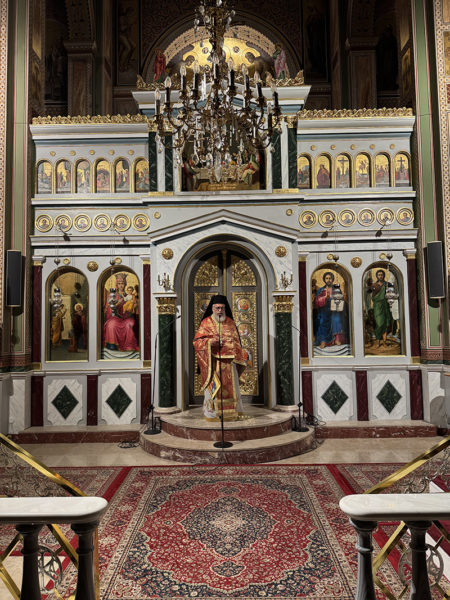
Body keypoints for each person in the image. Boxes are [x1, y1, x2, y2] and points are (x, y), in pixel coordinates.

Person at [193, 295, 248, 421]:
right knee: (214, 390)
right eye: (217, 308)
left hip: (230, 364)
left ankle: (232, 413)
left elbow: (237, 343)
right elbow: (196, 342)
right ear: (212, 308)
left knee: (232, 389)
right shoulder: (206, 322)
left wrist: (238, 358)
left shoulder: (230, 322)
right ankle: (212, 414)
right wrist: (210, 342)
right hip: (213, 363)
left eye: (222, 308)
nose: (220, 311)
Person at [103, 273, 139, 354]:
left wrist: (134, 306)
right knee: (111, 324)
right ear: (116, 284)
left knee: (129, 324)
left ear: (125, 284)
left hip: (127, 317)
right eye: (119, 283)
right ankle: (112, 345)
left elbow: (134, 307)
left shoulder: (128, 295)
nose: (121, 285)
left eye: (122, 283)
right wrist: (114, 306)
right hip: (116, 317)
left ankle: (129, 346)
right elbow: (108, 309)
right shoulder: (113, 296)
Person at [313, 272, 347, 349]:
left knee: (337, 320)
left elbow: (341, 299)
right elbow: (317, 301)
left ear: (332, 279)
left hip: (334, 310)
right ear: (324, 280)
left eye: (330, 278)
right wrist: (324, 298)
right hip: (324, 310)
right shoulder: (321, 290)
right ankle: (323, 341)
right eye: (327, 278)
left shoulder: (336, 289)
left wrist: (337, 299)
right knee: (322, 321)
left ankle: (337, 339)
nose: (328, 280)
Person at [366, 269, 392, 347]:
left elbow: (392, 292)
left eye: (382, 275)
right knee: (379, 323)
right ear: (377, 276)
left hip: (385, 306)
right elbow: (368, 291)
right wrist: (369, 286)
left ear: (384, 275)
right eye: (379, 275)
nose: (380, 276)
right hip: (377, 306)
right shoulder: (374, 285)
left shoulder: (387, 284)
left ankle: (384, 341)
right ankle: (378, 341)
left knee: (385, 324)